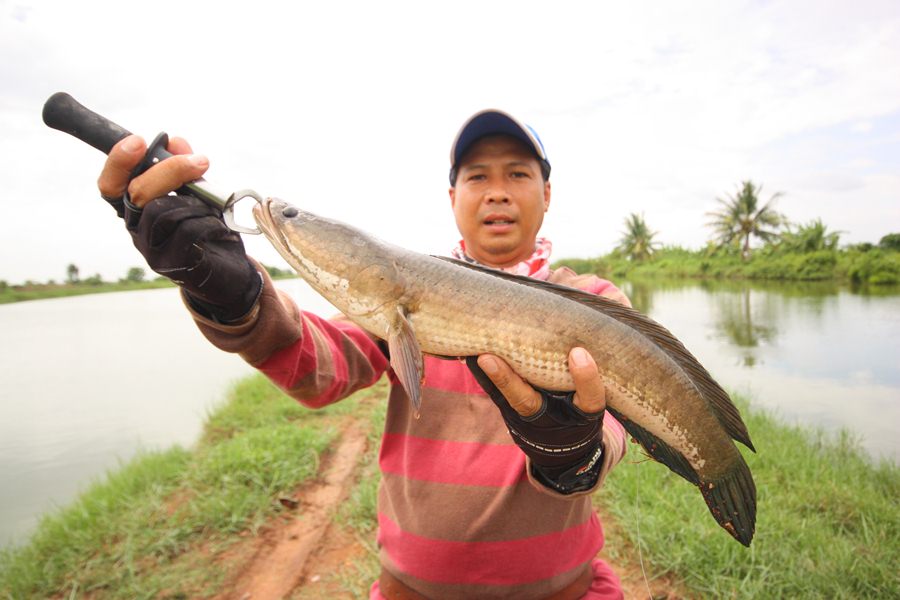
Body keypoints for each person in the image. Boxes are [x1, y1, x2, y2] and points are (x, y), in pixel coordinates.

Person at [97, 109, 631, 599]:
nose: (497, 192)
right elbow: (315, 366)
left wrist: (575, 458)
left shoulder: (597, 303)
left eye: (517, 173)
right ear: (452, 199)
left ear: (547, 193)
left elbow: (616, 426)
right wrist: (232, 296)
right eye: (477, 176)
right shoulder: (396, 292)